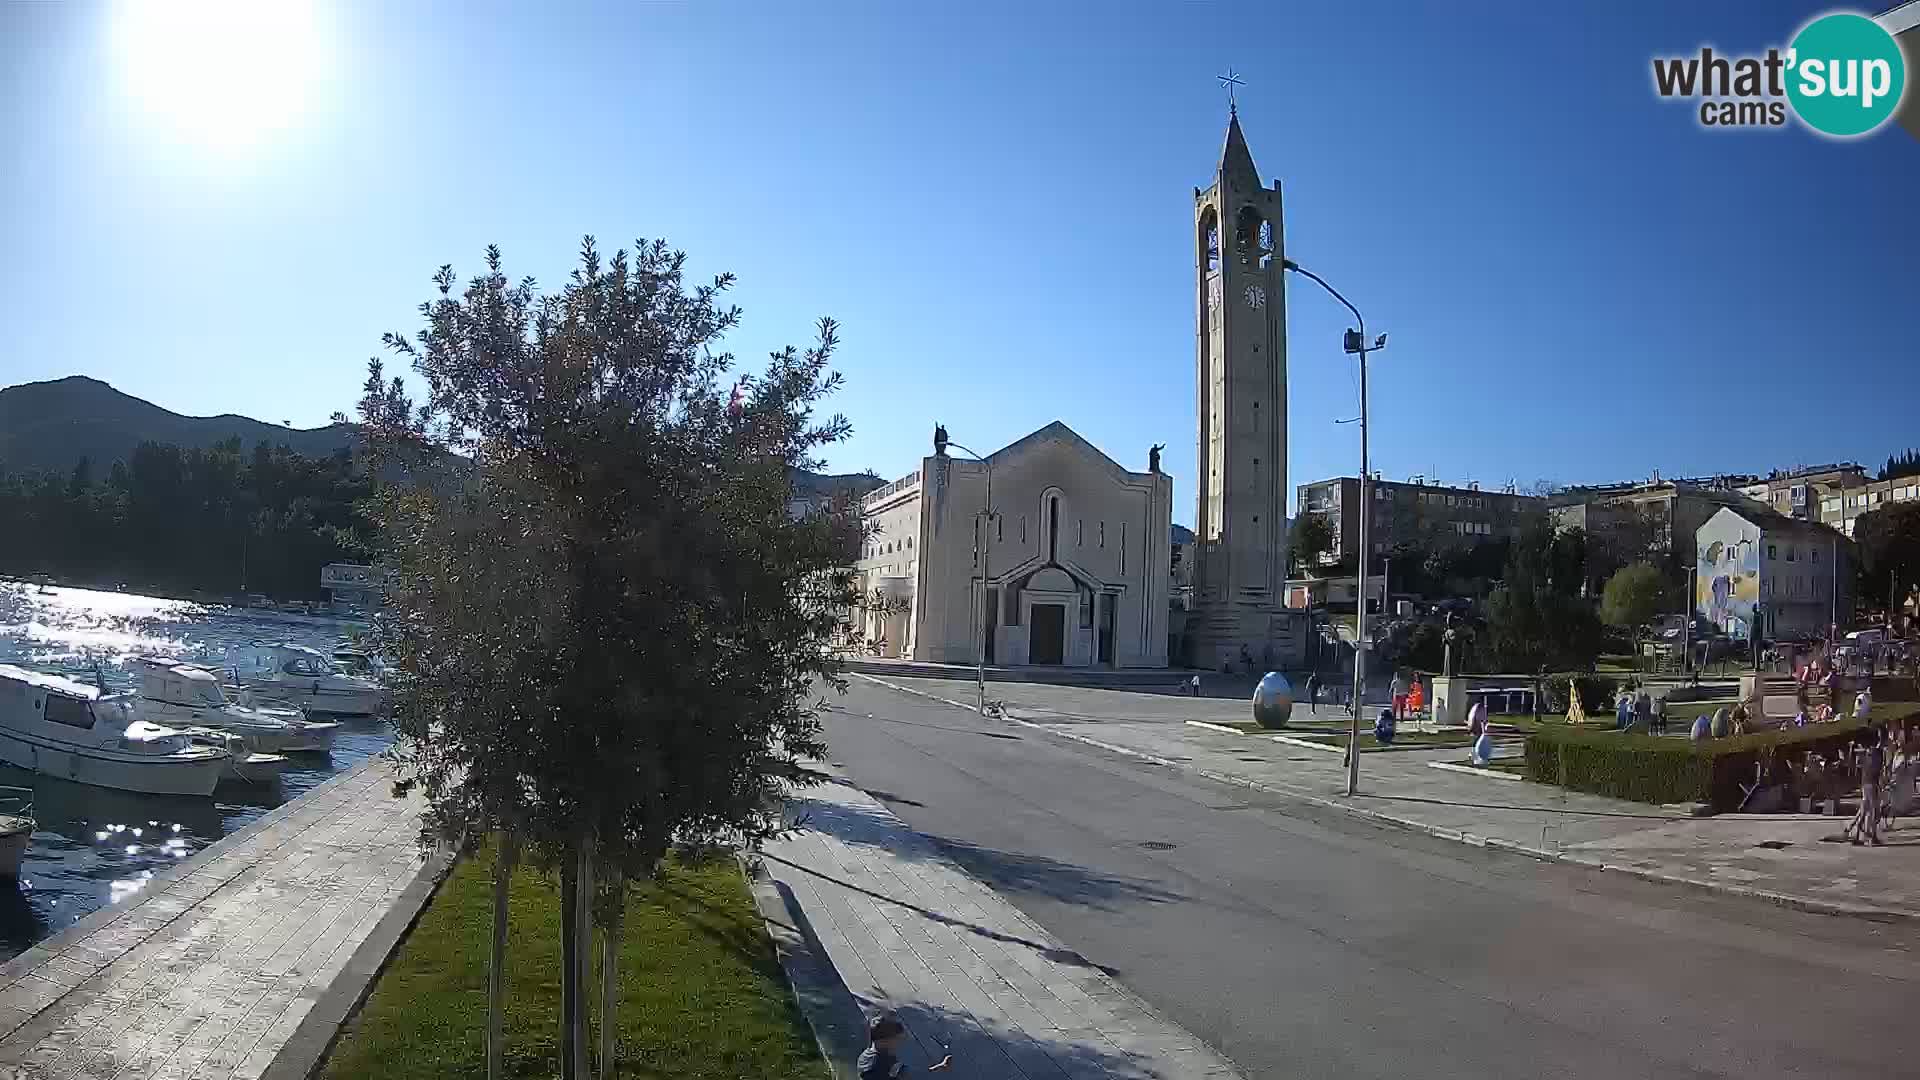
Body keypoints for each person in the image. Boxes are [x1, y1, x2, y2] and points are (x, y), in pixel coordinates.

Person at [859, 1014, 951, 1078]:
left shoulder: (865, 1056)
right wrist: (939, 1067)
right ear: (885, 1040)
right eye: (897, 1039)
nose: (899, 1043)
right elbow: (916, 1076)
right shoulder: (885, 1062)